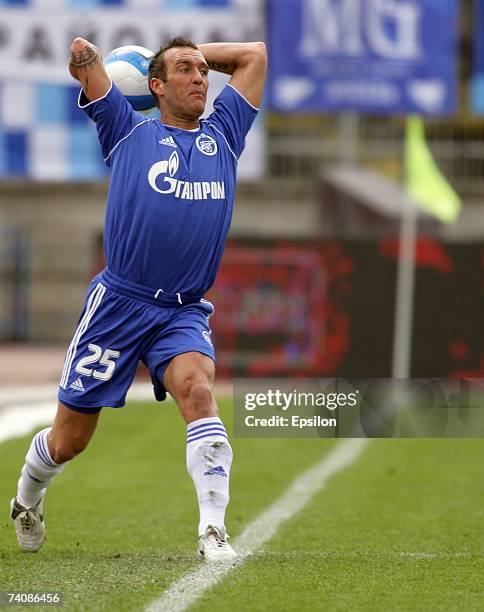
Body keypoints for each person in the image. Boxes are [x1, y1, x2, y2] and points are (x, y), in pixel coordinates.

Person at [10, 35, 267, 561]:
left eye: (203, 70)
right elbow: (82, 54)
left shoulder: (226, 133)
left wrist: (184, 49)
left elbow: (254, 55)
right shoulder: (126, 131)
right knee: (68, 442)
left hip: (182, 309)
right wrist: (93, 61)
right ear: (155, 86)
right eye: (185, 70)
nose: (200, 77)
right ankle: (27, 497)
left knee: (198, 393)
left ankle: (213, 532)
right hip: (119, 307)